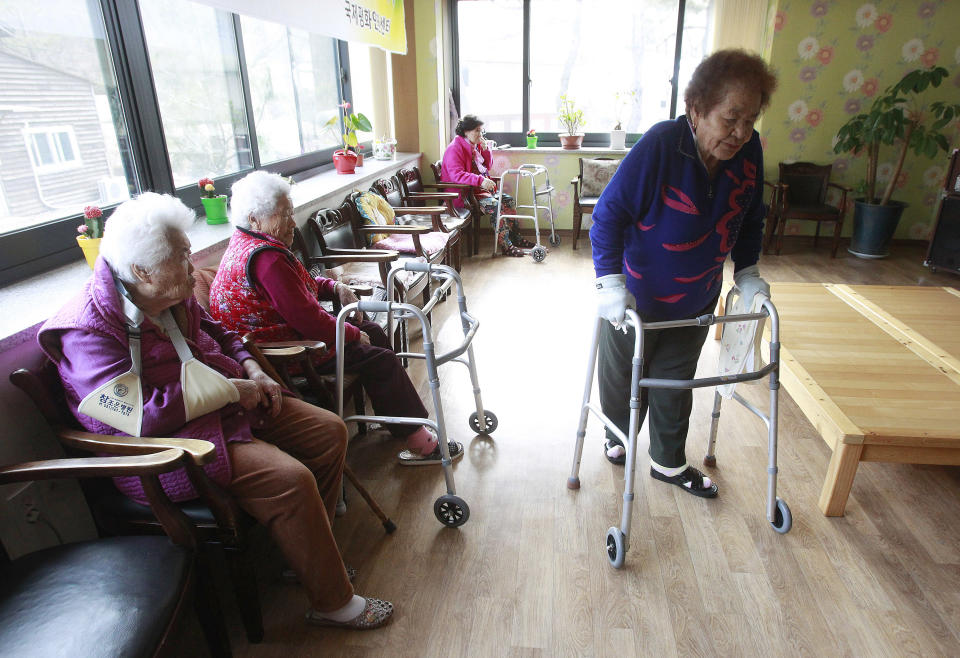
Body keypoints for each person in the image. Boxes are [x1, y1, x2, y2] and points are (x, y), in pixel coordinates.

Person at [38, 192, 393, 629]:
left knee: (328, 431)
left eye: (188, 255)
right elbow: (139, 419)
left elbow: (217, 331)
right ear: (141, 271)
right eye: (182, 260)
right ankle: (332, 603)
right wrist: (229, 391)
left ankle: (299, 556)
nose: (193, 270)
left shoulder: (166, 293)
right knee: (291, 480)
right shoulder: (88, 331)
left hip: (225, 407)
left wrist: (249, 367)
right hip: (168, 444)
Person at [590, 49, 778, 497]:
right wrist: (610, 282)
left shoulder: (750, 151)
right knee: (623, 378)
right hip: (635, 297)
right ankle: (618, 439)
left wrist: (747, 270)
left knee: (677, 379)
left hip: (697, 294)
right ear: (696, 109)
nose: (740, 132)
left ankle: (668, 463)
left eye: (750, 119)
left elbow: (750, 215)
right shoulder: (661, 145)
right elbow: (608, 214)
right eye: (730, 118)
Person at [208, 170, 461, 466]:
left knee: (374, 333)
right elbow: (307, 319)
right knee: (380, 358)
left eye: (291, 214)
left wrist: (336, 286)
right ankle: (421, 442)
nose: (292, 223)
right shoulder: (268, 259)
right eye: (284, 215)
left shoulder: (250, 244)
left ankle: (396, 420)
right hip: (290, 353)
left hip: (289, 335)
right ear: (254, 219)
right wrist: (353, 334)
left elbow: (297, 289)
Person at [441, 114, 532, 256]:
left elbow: (487, 166)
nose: (480, 134)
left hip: (478, 192)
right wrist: (480, 180)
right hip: (464, 195)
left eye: (481, 131)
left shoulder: (473, 146)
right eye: (477, 130)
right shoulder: (455, 148)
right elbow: (456, 175)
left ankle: (516, 238)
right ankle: (506, 245)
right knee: (495, 205)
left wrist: (485, 149)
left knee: (508, 200)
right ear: (466, 131)